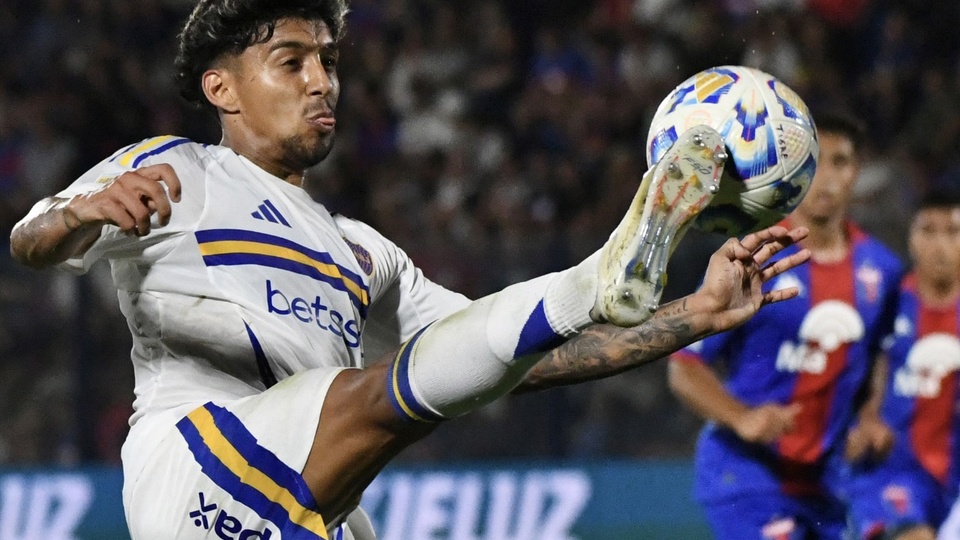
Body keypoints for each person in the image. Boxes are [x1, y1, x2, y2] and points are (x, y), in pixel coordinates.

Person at [9, 1, 810, 538]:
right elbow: (30, 240)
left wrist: (694, 315)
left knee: (446, 365)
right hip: (195, 460)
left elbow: (513, 359)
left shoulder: (364, 252)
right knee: (377, 393)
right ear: (222, 88)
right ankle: (596, 273)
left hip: (313, 502)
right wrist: (78, 215)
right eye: (291, 61)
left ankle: (600, 283)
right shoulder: (178, 168)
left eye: (328, 61)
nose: (322, 81)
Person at [668, 112, 904, 539]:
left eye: (840, 162)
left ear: (856, 173)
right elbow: (684, 367)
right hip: (746, 475)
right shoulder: (754, 256)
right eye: (815, 162)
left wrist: (870, 416)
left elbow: (878, 354)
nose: (827, 178)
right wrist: (743, 418)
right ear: (794, 169)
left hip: (827, 483)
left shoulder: (882, 269)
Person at [846, 190, 960, 540]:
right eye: (928, 231)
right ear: (911, 237)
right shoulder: (882, 305)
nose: (940, 246)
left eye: (953, 232)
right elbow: (850, 378)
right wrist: (864, 421)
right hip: (893, 474)